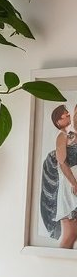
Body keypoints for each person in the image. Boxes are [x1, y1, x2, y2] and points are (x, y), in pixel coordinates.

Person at [39, 105, 77, 248]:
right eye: (64, 115)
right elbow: (62, 163)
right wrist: (74, 183)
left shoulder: (72, 134)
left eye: (67, 114)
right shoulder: (62, 136)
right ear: (58, 122)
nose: (67, 115)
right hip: (69, 184)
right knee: (70, 234)